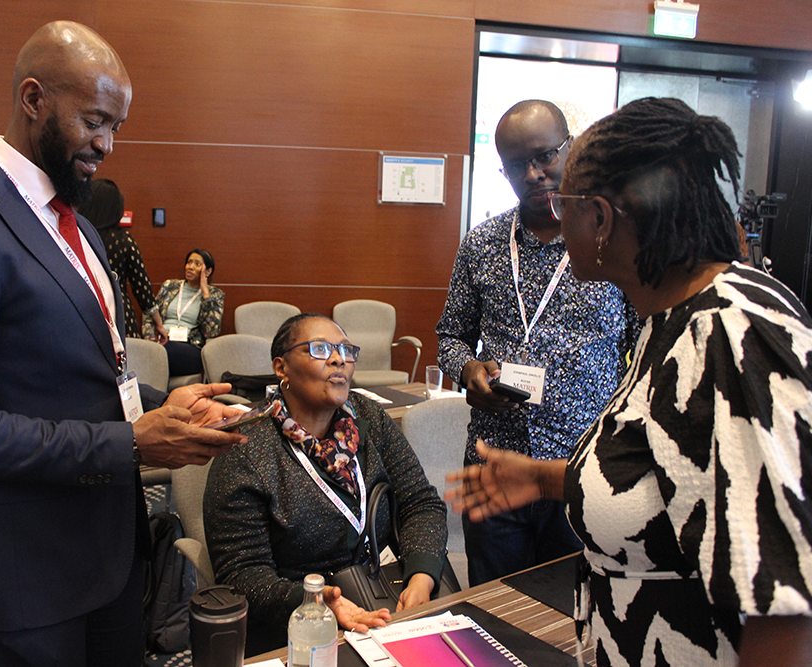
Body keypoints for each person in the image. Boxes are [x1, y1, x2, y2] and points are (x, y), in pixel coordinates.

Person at [0, 21, 245, 666]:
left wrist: (177, 406)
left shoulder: (82, 230)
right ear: (32, 99)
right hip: (26, 565)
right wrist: (132, 442)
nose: (107, 144)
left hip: (109, 550)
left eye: (116, 127)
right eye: (94, 121)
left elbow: (93, 372)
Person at [446, 97, 812, 667]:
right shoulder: (673, 320)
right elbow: (677, 471)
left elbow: (792, 607)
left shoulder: (734, 335)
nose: (551, 205)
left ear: (600, 219)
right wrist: (549, 479)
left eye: (565, 200)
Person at [435, 99, 637, 584]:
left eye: (545, 156)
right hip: (494, 463)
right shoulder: (481, 243)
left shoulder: (610, 239)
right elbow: (449, 336)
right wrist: (467, 370)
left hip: (580, 466)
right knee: (493, 609)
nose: (533, 174)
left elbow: (645, 345)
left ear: (570, 148)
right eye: (515, 165)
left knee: (572, 608)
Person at [204, 313, 448, 654]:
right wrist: (314, 602)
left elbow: (420, 503)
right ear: (281, 367)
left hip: (391, 596)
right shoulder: (245, 446)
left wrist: (422, 576)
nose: (338, 359)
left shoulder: (370, 418)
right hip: (297, 625)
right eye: (320, 349)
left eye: (346, 351)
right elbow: (241, 574)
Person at [79, 178, 168, 342]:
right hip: (119, 313)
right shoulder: (124, 240)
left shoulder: (77, 236)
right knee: (124, 363)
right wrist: (158, 322)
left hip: (83, 311)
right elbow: (142, 287)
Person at [142, 249, 224, 376]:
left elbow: (211, 331)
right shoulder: (170, 286)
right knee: (143, 350)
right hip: (161, 341)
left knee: (163, 351)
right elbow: (150, 314)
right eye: (189, 262)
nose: (190, 267)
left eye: (197, 264)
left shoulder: (215, 295)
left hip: (189, 348)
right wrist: (151, 339)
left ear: (208, 271)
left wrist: (206, 294)